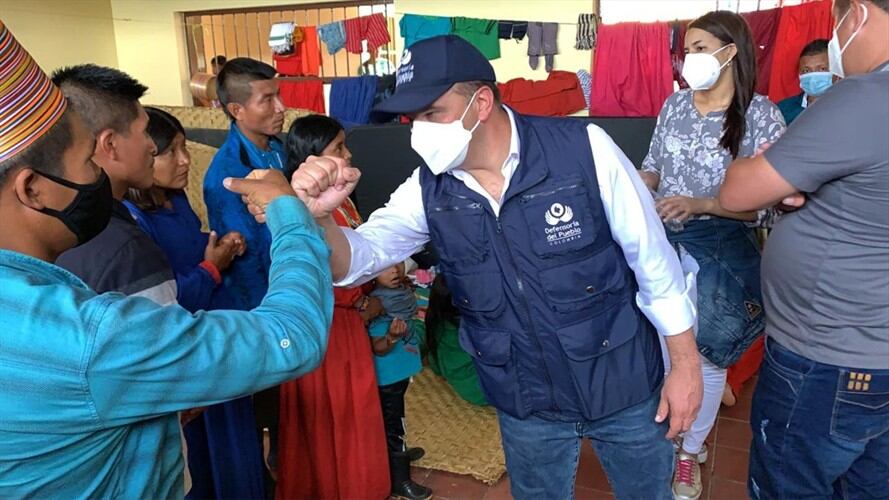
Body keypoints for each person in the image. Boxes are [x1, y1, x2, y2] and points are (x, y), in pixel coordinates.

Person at [284, 35, 703, 500]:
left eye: (431, 113)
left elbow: (655, 264)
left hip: (622, 384)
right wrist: (319, 217)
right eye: (411, 118)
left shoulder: (584, 150)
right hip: (526, 403)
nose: (418, 131)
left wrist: (685, 368)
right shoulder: (429, 191)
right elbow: (358, 260)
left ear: (481, 102)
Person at [0, 20, 339, 497]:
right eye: (89, 163)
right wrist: (290, 212)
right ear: (33, 189)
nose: (103, 174)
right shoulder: (87, 337)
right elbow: (292, 337)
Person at [719, 0, 889, 497]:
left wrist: (778, 181)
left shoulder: (864, 99)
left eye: (836, 23)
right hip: (873, 348)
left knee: (788, 483)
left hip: (827, 361)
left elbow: (736, 192)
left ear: (855, 15)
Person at [638, 11, 786, 500]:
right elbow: (654, 166)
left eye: (701, 48)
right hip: (665, 244)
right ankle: (683, 432)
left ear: (730, 52)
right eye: (687, 49)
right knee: (668, 347)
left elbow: (765, 204)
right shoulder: (675, 106)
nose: (690, 58)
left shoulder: (761, 115)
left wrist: (702, 204)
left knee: (708, 354)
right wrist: (635, 191)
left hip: (722, 246)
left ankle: (687, 453)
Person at [123, 107, 271, 499]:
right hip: (191, 356)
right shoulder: (133, 220)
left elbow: (188, 249)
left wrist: (219, 244)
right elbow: (164, 300)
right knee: (208, 455)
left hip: (218, 342)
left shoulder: (175, 202)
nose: (185, 160)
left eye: (184, 148)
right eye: (171, 151)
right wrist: (212, 267)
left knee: (240, 445)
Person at [276, 114, 392, 500]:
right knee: (336, 415)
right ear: (312, 159)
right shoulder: (300, 207)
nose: (348, 153)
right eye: (338, 148)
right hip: (328, 326)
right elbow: (310, 271)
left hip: (346, 324)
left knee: (347, 416)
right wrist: (358, 300)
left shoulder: (339, 202)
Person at [203, 57, 287, 488]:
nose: (280, 107)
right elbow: (249, 255)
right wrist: (278, 317)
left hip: (288, 289)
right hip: (259, 308)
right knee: (262, 408)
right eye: (267, 99)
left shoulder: (278, 148)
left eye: (278, 95)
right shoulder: (226, 174)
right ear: (237, 110)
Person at [51, 64, 176, 305]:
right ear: (110, 145)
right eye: (145, 132)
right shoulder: (126, 251)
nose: (152, 146)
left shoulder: (54, 226)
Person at [367, 262, 431, 500]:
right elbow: (379, 348)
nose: (395, 270)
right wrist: (392, 337)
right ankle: (400, 480)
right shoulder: (379, 305)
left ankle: (398, 455)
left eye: (398, 264)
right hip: (388, 377)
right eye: (386, 268)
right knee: (394, 426)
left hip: (400, 373)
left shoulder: (400, 294)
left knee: (399, 419)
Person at [425, 274, 488, 406]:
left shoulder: (436, 321)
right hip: (485, 390)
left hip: (467, 387)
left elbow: (435, 359)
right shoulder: (468, 326)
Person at [777, 39, 833, 125]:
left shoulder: (849, 107)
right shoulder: (783, 110)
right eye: (806, 71)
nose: (813, 76)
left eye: (822, 69)